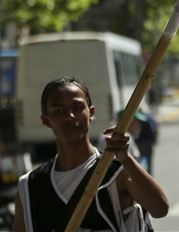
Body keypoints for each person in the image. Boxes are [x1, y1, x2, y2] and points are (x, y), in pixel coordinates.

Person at [14, 76, 169, 232]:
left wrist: (126, 159)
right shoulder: (30, 186)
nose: (70, 116)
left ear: (91, 113)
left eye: (77, 107)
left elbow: (160, 209)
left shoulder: (115, 173)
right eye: (59, 110)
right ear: (46, 120)